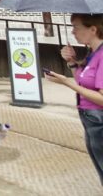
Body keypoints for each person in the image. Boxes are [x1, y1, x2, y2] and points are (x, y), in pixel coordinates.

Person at [46, 13, 103, 184]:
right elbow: (82, 81)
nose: (73, 32)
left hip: (98, 119)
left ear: (93, 29)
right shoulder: (92, 53)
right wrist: (71, 62)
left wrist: (66, 83)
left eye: (76, 27)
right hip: (89, 118)